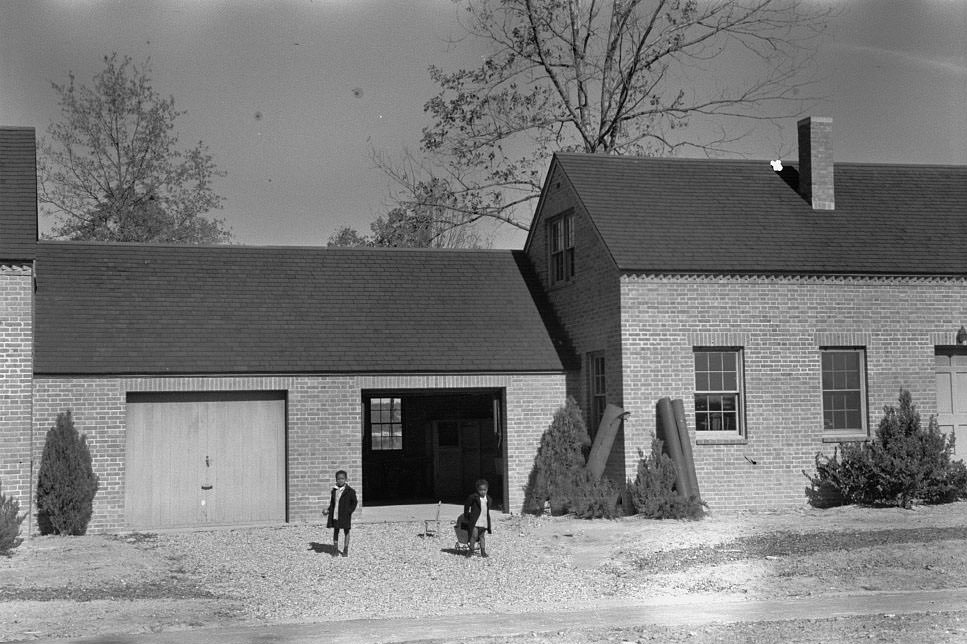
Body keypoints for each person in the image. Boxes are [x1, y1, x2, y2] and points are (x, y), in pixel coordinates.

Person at [326, 469, 357, 557]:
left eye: (342, 478)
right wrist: (328, 510)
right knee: (336, 531)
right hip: (336, 515)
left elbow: (354, 502)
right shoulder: (334, 490)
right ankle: (335, 549)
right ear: (336, 480)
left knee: (346, 531)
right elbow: (332, 503)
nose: (340, 480)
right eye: (338, 479)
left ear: (346, 479)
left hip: (345, 515)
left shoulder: (350, 491)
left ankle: (345, 549)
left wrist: (349, 511)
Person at [463, 478, 492, 558]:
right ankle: (471, 550)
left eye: (484, 490)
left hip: (484, 520)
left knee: (482, 536)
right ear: (477, 490)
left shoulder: (488, 499)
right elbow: (467, 505)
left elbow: (487, 509)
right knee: (474, 535)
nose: (483, 491)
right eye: (480, 490)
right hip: (475, 520)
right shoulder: (474, 497)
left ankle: (483, 551)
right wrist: (467, 515)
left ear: (487, 489)